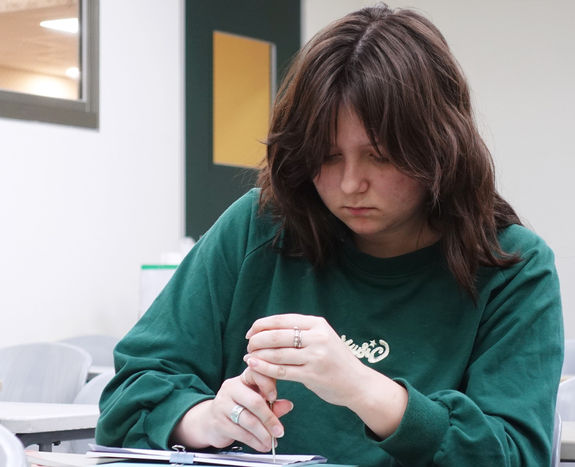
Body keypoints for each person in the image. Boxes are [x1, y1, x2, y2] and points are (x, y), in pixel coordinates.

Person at [97, 4, 563, 466]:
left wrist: (362, 388)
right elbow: (129, 395)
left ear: (440, 148)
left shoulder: (513, 266)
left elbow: (514, 456)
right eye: (326, 155)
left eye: (379, 156)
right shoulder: (257, 227)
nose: (349, 184)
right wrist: (208, 419)